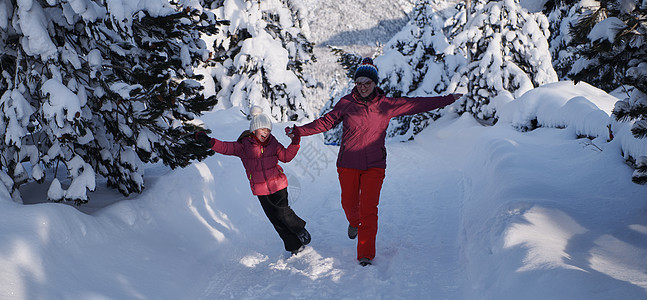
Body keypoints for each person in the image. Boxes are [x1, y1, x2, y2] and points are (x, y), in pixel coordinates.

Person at [286, 57, 462, 266]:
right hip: (348, 163)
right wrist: (300, 131)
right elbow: (325, 122)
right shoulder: (346, 103)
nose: (362, 87)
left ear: (375, 83)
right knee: (348, 204)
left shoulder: (387, 105)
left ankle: (365, 254)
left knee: (369, 209)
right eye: (358, 83)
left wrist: (448, 99)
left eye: (366, 83)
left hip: (374, 165)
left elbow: (417, 104)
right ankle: (354, 222)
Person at [196, 106, 310, 255]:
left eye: (268, 130)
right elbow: (225, 147)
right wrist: (210, 142)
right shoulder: (244, 146)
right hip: (261, 190)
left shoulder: (273, 143)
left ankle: (299, 228)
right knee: (275, 220)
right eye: (263, 129)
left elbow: (286, 157)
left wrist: (295, 143)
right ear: (254, 129)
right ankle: (295, 246)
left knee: (283, 213)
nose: (266, 132)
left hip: (278, 184)